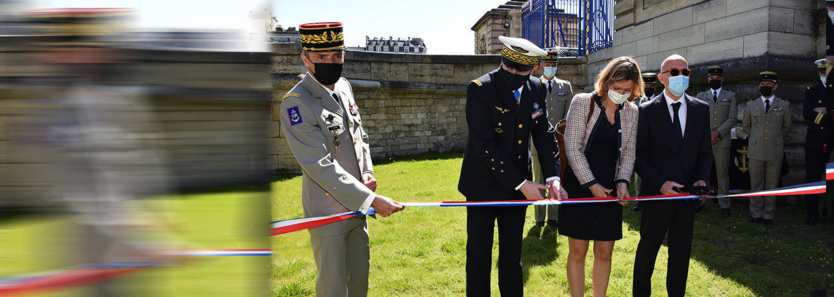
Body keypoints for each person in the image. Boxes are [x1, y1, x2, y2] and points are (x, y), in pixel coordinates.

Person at [279, 22, 404, 297]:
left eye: (337, 55)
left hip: (357, 203)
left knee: (359, 281)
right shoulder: (297, 102)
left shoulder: (344, 86)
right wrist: (371, 200)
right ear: (306, 59)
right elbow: (319, 165)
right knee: (333, 287)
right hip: (327, 209)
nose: (331, 62)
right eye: (321, 57)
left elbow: (359, 136)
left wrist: (367, 172)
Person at [458, 36, 567, 297]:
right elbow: (484, 145)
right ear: (502, 60)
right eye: (509, 67)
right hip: (482, 185)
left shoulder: (537, 89)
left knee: (512, 259)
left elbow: (543, 134)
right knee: (478, 258)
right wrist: (522, 183)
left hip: (516, 192)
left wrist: (553, 177)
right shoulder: (480, 89)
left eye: (521, 70)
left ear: (534, 68)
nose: (513, 74)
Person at [558, 56, 641, 297]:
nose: (621, 93)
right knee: (578, 252)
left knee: (605, 252)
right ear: (606, 82)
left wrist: (623, 182)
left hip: (611, 191)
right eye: (617, 88)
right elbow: (572, 148)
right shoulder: (583, 102)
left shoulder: (632, 111)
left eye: (627, 90)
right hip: (581, 186)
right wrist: (592, 185)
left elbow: (629, 153)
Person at [633, 54, 713, 297]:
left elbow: (705, 152)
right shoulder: (646, 111)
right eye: (674, 72)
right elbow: (638, 156)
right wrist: (660, 184)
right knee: (647, 253)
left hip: (687, 197)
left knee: (680, 254)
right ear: (662, 78)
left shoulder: (701, 109)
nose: (681, 76)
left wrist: (701, 179)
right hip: (655, 196)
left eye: (685, 72)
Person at [741, 71, 791, 226]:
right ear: (759, 86)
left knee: (771, 184)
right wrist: (757, 138)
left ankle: (768, 214)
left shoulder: (784, 105)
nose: (765, 87)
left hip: (774, 151)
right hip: (756, 150)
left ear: (774, 86)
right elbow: (746, 126)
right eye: (763, 84)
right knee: (756, 183)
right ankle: (756, 213)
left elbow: (787, 127)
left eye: (768, 85)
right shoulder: (751, 105)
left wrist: (774, 139)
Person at [532, 49, 573, 228]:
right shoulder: (532, 85)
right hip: (536, 141)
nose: (551, 68)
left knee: (557, 178)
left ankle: (554, 217)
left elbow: (569, 115)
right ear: (541, 66)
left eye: (554, 65)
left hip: (558, 142)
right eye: (547, 65)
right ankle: (539, 218)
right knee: (539, 179)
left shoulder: (565, 86)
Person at [695, 65, 737, 217]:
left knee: (722, 173)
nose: (714, 80)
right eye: (712, 78)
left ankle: (724, 203)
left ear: (722, 79)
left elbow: (732, 118)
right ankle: (700, 201)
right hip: (704, 142)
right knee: (702, 172)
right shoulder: (700, 96)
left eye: (717, 78)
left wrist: (718, 133)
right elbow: (697, 119)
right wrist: (707, 135)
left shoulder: (730, 96)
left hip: (722, 141)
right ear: (708, 79)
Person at [802, 59, 832, 225]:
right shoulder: (811, 92)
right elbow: (806, 113)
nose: (824, 75)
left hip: (831, 142)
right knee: (813, 179)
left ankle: (829, 214)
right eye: (821, 72)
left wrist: (822, 112)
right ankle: (812, 213)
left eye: (826, 72)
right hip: (815, 143)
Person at [631, 72, 658, 212]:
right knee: (638, 176)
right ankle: (638, 200)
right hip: (640, 143)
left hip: (656, 144)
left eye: (651, 85)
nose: (648, 87)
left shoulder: (660, 102)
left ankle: (654, 198)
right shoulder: (635, 102)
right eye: (646, 85)